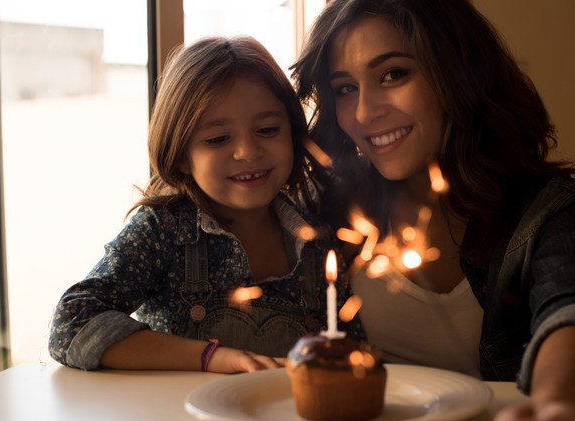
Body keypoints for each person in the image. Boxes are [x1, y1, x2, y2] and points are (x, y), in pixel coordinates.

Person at [291, 0, 575, 421]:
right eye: (344, 88)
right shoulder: (330, 211)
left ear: (457, 74)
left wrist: (556, 414)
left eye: (393, 74)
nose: (363, 112)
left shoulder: (550, 209)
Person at [48, 36, 361, 375]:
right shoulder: (162, 230)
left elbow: (354, 350)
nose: (247, 151)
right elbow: (72, 323)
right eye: (217, 139)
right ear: (181, 155)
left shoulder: (319, 237)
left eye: (268, 130)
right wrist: (211, 358)